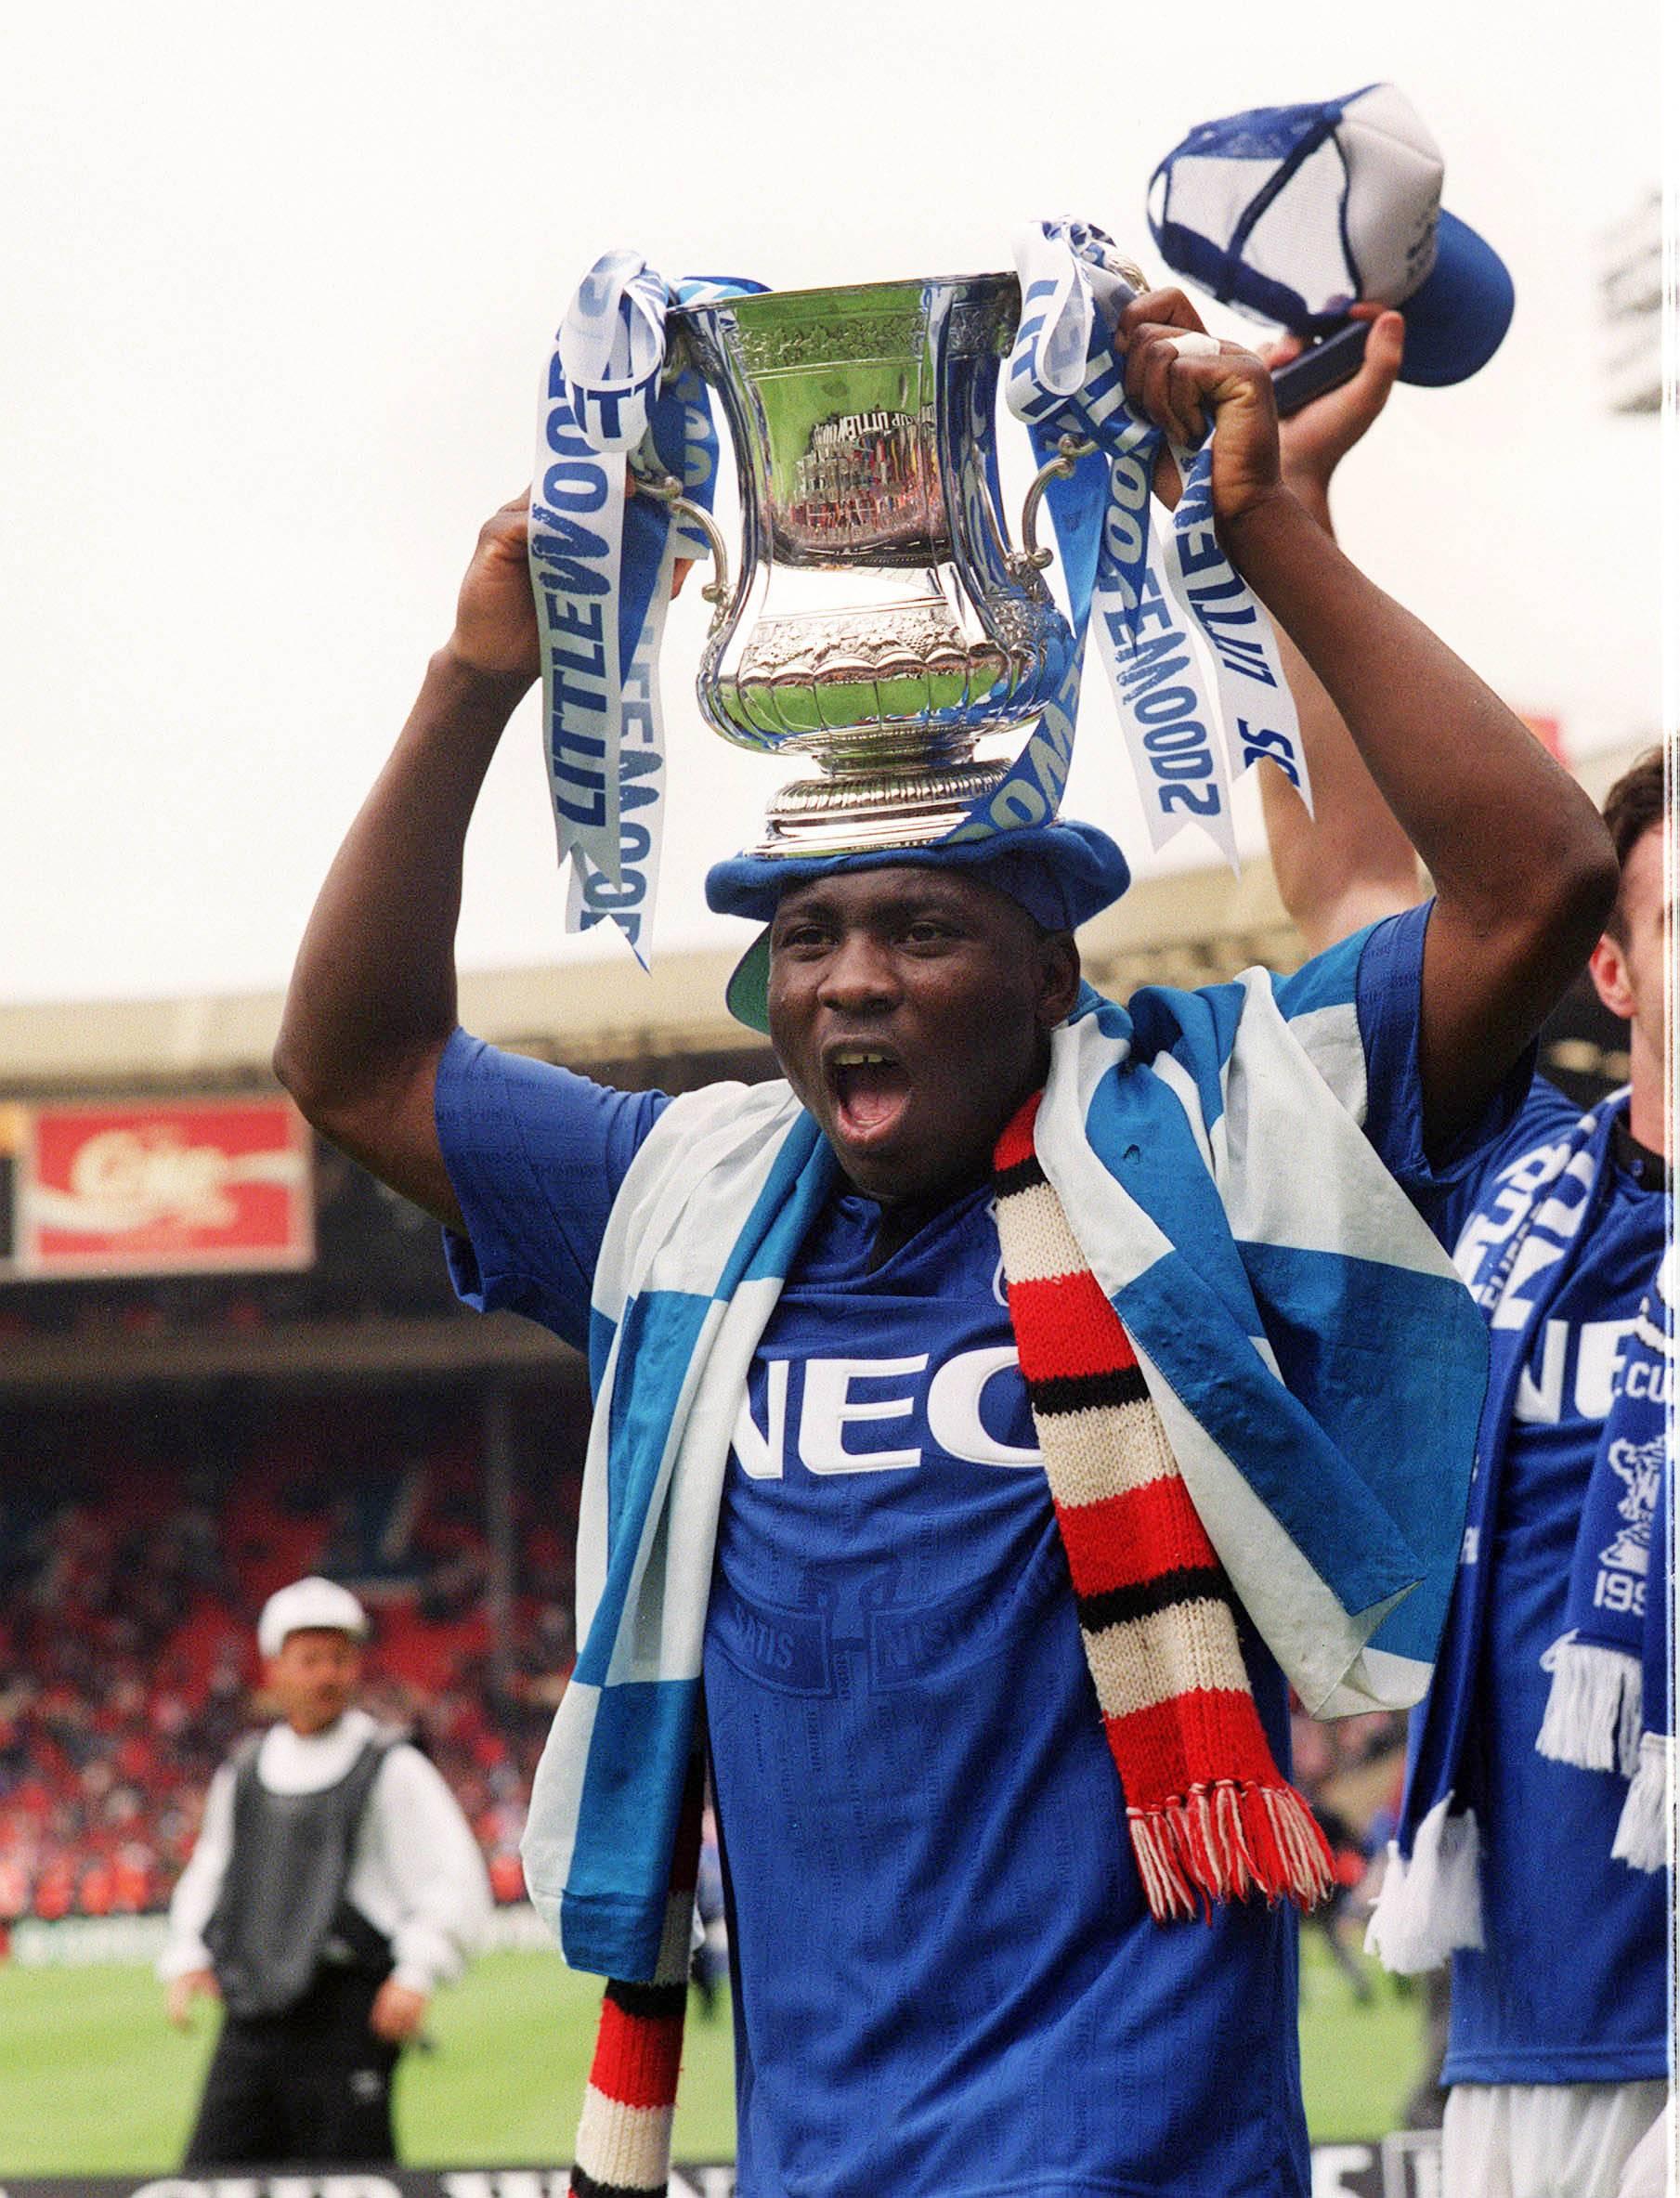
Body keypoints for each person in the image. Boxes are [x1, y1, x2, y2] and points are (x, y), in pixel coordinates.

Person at [273, 286, 1615, 2198]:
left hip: (1139, 2157)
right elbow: (354, 1060)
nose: (849, 980)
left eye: (920, 930)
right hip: (816, 2158)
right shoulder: (684, 1195)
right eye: (805, 937)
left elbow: (1538, 879)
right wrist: (474, 675)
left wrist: (1268, 536)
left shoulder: (1201, 1133)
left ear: (1049, 973)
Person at [1257, 308, 1671, 2198]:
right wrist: (1289, 515)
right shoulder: (1512, 1198)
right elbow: (1353, 892)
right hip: (1529, 2031)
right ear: (1611, 969)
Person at [160, 1575, 492, 2165]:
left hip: (349, 2007)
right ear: (274, 1670)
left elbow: (447, 1874)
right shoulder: (245, 1769)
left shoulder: (391, 1765)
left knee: (349, 2175)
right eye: (310, 1660)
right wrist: (187, 1954)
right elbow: (213, 1869)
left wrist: (418, 1970)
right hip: (253, 2009)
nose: (327, 1675)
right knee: (213, 2174)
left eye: (340, 1658)